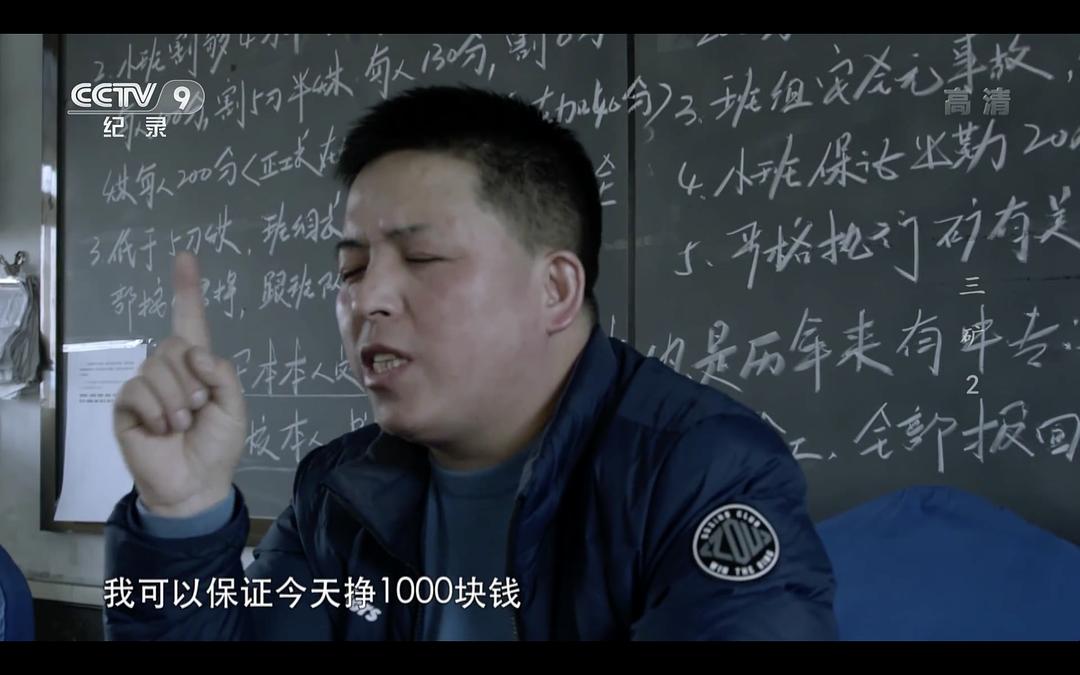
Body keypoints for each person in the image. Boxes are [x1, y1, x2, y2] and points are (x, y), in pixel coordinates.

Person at [104, 85, 838, 641]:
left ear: (555, 289)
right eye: (352, 268)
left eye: (422, 258)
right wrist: (182, 512)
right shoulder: (339, 494)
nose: (369, 299)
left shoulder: (703, 474)